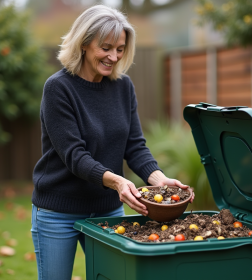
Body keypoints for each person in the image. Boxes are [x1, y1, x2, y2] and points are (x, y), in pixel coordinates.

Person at [30, 4, 194, 280]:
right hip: (59, 211)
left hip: (108, 211)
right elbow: (75, 156)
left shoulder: (123, 87)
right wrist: (118, 181)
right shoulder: (58, 88)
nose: (114, 56)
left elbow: (134, 146)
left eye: (119, 49)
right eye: (106, 47)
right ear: (84, 43)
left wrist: (158, 178)